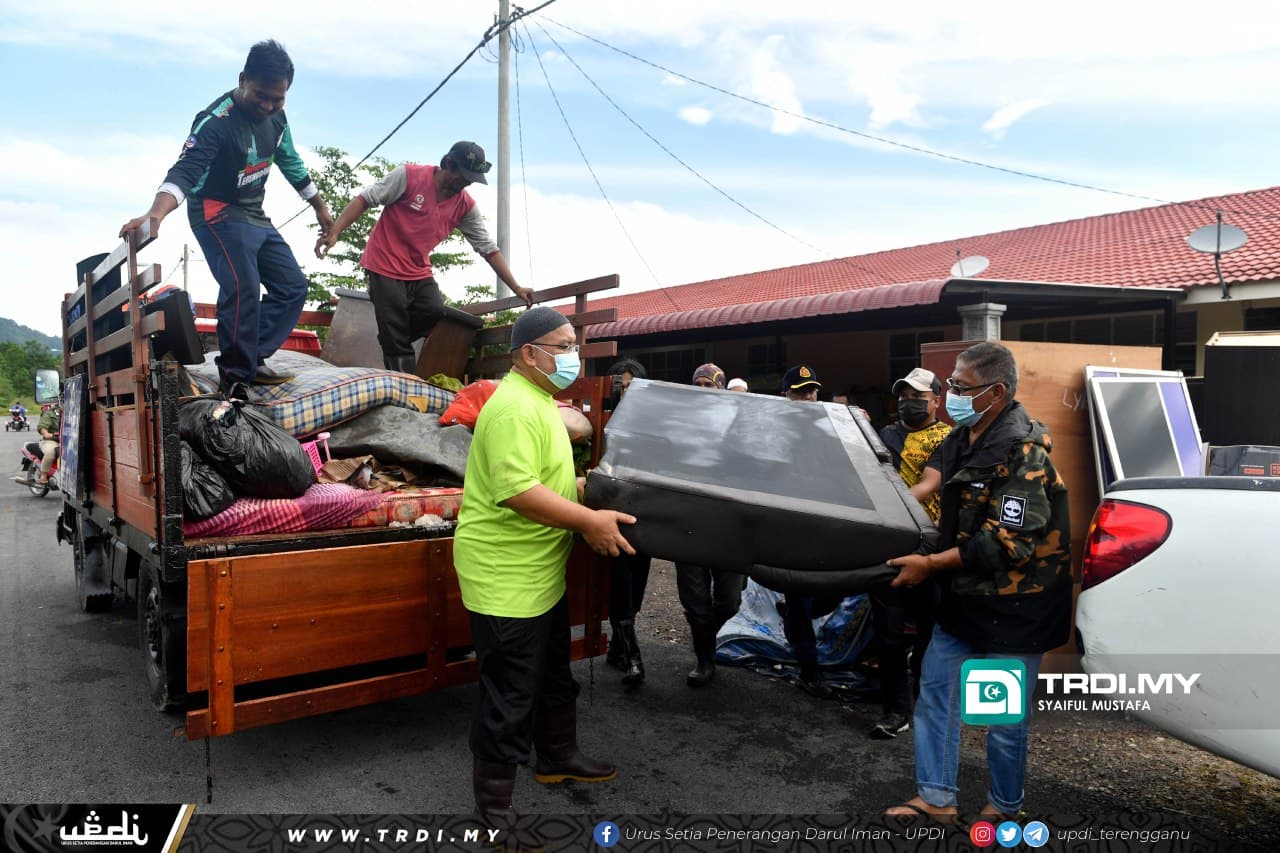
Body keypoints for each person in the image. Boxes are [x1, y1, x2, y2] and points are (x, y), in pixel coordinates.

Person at [454, 306, 636, 817]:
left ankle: (558, 755)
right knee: (509, 695)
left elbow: (543, 479)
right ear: (530, 354)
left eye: (574, 347)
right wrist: (588, 521)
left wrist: (590, 489)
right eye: (563, 347)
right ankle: (495, 813)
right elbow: (516, 492)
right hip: (506, 578)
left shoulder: (539, 401)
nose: (572, 357)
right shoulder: (513, 408)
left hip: (539, 573)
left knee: (554, 672)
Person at [884, 342, 1071, 822]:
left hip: (1015, 605)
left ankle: (1004, 807)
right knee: (936, 695)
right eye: (951, 384)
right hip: (964, 596)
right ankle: (936, 798)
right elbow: (932, 491)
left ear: (996, 393)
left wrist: (930, 565)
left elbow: (1008, 543)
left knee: (1000, 717)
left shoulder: (1023, 452)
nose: (951, 395)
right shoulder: (960, 440)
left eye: (961, 387)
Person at [120, 40, 333, 402]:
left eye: (277, 99)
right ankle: (235, 379)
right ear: (242, 80)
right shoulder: (215, 122)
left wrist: (320, 207)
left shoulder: (277, 120)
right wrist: (156, 214)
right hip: (215, 212)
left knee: (293, 287)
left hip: (253, 213)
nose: (268, 105)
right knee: (243, 285)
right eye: (261, 96)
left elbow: (290, 161)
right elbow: (184, 172)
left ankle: (250, 357)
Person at [316, 141, 534, 373]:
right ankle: (403, 375)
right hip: (382, 264)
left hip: (417, 270)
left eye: (471, 180)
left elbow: (488, 248)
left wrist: (516, 287)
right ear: (448, 163)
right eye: (463, 177)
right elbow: (365, 199)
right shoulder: (408, 177)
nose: (466, 183)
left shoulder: (465, 206)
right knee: (395, 329)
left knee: (433, 311)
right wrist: (335, 232)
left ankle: (391, 338)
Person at [867, 367, 950, 739]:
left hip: (931, 545)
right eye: (903, 396)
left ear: (936, 401)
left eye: (918, 397)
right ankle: (895, 711)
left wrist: (890, 505)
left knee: (930, 633)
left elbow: (930, 485)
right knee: (888, 632)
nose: (909, 403)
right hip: (888, 543)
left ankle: (926, 704)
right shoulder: (884, 435)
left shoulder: (948, 438)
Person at [773, 364, 842, 697]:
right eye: (801, 392)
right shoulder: (773, 429)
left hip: (825, 522)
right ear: (786, 395)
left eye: (812, 390)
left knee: (835, 589)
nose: (809, 397)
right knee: (800, 596)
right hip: (791, 525)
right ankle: (809, 670)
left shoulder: (831, 427)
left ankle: (792, 618)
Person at [675, 363, 746, 687]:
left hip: (729, 527)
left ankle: (708, 636)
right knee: (695, 599)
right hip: (689, 523)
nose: (703, 390)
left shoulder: (739, 426)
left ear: (722, 389)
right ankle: (704, 659)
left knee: (730, 600)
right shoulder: (680, 425)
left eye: (710, 385)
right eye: (698, 385)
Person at [603, 358, 651, 686]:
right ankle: (634, 658)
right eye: (620, 386)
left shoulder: (651, 426)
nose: (625, 392)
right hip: (612, 516)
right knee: (621, 583)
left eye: (632, 386)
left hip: (644, 516)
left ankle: (617, 649)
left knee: (637, 585)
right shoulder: (603, 420)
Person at [36, 400, 61, 485]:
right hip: (51, 441)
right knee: (51, 452)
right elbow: (42, 426)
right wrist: (46, 434)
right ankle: (43, 475)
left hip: (67, 441)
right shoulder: (50, 414)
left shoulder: (73, 414)